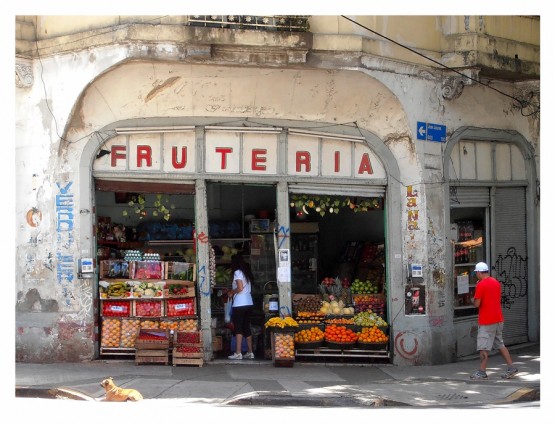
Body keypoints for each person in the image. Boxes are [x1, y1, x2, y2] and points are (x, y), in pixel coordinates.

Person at [470, 262, 518, 380]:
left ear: (479, 272)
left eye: (476, 273)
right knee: (500, 344)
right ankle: (511, 367)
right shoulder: (496, 282)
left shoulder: (481, 285)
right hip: (498, 318)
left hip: (487, 320)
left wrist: (472, 298)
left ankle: (482, 372)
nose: (476, 275)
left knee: (483, 347)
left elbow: (477, 304)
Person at [227, 254, 255, 360]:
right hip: (249, 302)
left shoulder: (237, 272)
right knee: (246, 327)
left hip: (239, 303)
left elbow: (240, 287)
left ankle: (238, 352)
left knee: (238, 328)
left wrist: (231, 292)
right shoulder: (246, 272)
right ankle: (250, 352)